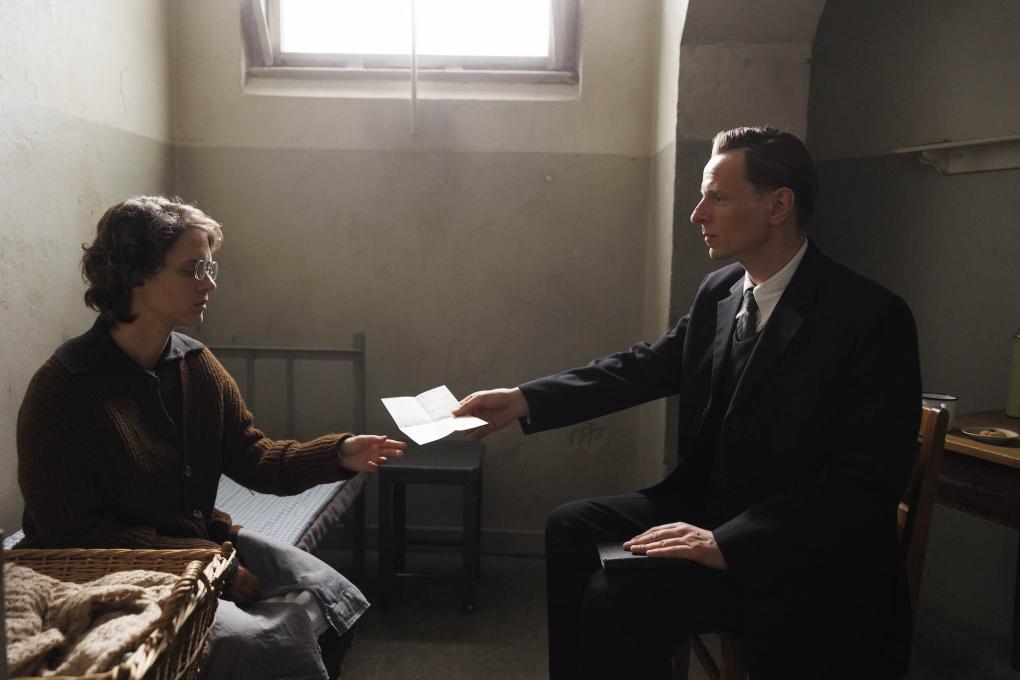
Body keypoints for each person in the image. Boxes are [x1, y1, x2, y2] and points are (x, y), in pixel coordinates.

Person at [454, 127, 921, 679]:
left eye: (717, 197)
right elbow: (644, 367)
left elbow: (864, 484)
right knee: (569, 527)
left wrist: (729, 540)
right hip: (710, 511)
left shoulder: (868, 316)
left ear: (778, 205)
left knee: (616, 596)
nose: (698, 214)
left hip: (794, 553)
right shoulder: (721, 291)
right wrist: (524, 400)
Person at [16, 196, 407, 680]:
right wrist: (208, 566)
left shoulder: (195, 365)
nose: (210, 283)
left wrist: (340, 454)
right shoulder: (65, 388)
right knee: (256, 642)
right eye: (192, 270)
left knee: (331, 592)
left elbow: (255, 458)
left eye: (209, 267)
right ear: (135, 275)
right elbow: (73, 535)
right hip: (108, 568)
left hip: (200, 546)